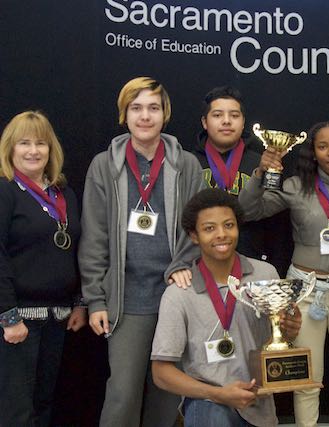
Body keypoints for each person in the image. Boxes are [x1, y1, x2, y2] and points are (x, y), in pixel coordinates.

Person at [79, 77, 204, 427]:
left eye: (153, 108)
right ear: (124, 115)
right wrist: (96, 300)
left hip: (174, 295)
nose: (145, 116)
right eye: (136, 108)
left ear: (165, 114)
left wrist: (183, 264)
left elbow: (199, 229)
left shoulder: (187, 165)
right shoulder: (103, 165)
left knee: (168, 395)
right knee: (123, 393)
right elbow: (94, 236)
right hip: (126, 299)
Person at [238, 120, 329, 427]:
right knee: (307, 378)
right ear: (313, 152)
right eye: (322, 146)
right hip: (306, 293)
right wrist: (260, 174)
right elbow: (247, 211)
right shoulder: (296, 186)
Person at [152, 188, 302, 427]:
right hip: (208, 402)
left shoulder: (266, 274)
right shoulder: (179, 293)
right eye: (209, 228)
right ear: (194, 235)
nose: (221, 234)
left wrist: (289, 329)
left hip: (258, 402)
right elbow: (161, 373)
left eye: (229, 225)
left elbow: (278, 339)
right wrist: (217, 394)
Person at [0, 111, 87, 426]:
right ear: (10, 148)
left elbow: (76, 250)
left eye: (40, 143)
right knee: (16, 410)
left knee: (44, 402)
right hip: (18, 320)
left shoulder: (64, 194)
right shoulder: (6, 190)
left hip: (58, 318)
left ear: (52, 150)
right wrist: (8, 316)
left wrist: (78, 302)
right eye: (24, 143)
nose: (33, 151)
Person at [166, 86, 292, 287]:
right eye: (217, 115)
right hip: (198, 267)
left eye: (234, 115)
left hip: (253, 268)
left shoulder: (264, 163)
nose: (226, 121)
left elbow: (278, 224)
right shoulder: (187, 163)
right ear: (205, 123)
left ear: (243, 123)